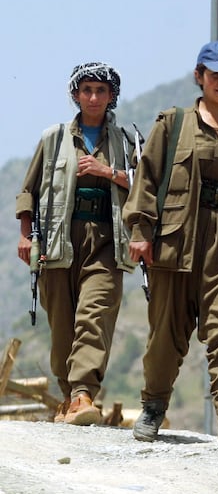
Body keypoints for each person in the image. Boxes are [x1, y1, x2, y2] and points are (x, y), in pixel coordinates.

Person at [123, 41, 218, 444]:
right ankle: (153, 407)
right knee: (166, 333)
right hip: (174, 242)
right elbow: (146, 180)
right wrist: (140, 231)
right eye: (216, 74)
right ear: (199, 76)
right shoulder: (173, 124)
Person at [15, 62, 135, 426]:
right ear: (76, 95)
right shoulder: (54, 139)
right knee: (64, 325)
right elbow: (28, 191)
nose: (94, 97)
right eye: (87, 90)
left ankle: (84, 393)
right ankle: (69, 398)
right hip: (58, 242)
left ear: (112, 96)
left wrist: (107, 172)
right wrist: (25, 235)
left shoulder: (126, 141)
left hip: (106, 241)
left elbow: (143, 188)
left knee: (94, 317)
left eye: (101, 90)